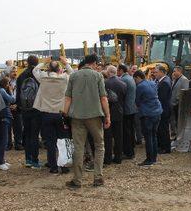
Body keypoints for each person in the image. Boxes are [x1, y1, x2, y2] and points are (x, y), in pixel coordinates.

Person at [62, 54, 111, 188]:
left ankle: (77, 180)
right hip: (95, 116)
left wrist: (65, 115)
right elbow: (103, 98)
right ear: (94, 63)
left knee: (78, 148)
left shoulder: (73, 76)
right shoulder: (98, 76)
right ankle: (98, 178)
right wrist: (107, 116)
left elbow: (68, 98)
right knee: (99, 145)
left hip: (77, 117)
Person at [32, 56, 73, 174]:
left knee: (50, 142)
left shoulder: (43, 78)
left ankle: (53, 166)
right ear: (59, 69)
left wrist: (44, 62)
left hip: (46, 113)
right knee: (63, 140)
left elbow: (35, 71)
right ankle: (64, 165)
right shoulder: (64, 78)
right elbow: (73, 73)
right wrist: (66, 63)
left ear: (48, 70)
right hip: (61, 114)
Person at [133, 70, 162, 166]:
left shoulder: (140, 86)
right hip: (157, 111)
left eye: (135, 79)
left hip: (147, 114)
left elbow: (137, 101)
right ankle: (154, 157)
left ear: (137, 77)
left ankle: (149, 159)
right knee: (154, 135)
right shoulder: (152, 83)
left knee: (148, 137)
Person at [16, 55, 41, 167]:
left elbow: (18, 94)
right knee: (35, 135)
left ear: (27, 62)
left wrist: (19, 106)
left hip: (25, 109)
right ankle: (35, 160)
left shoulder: (20, 76)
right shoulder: (38, 75)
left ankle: (28, 159)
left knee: (26, 133)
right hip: (36, 108)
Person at [103, 65, 127, 164]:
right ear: (116, 72)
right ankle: (118, 157)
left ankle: (108, 158)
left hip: (108, 112)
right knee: (119, 136)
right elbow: (124, 98)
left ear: (108, 73)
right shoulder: (123, 83)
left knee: (108, 137)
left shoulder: (105, 83)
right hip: (119, 112)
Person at [118, 64, 137, 159]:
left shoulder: (123, 79)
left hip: (126, 109)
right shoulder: (130, 78)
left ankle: (129, 152)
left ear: (121, 70)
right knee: (130, 130)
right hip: (132, 108)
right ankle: (131, 149)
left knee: (126, 132)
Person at [0, 77, 15, 171]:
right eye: (8, 83)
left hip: (1, 114)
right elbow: (12, 99)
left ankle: (1, 160)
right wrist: (11, 91)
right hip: (4, 115)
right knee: (3, 139)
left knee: (3, 138)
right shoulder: (2, 91)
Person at [154, 65, 172, 154]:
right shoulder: (163, 80)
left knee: (163, 129)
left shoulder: (164, 82)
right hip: (163, 108)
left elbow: (162, 98)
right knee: (161, 128)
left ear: (161, 72)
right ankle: (162, 146)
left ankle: (165, 148)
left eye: (156, 72)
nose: (154, 74)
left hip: (163, 109)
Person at [170, 66, 189, 138]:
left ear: (179, 71)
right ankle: (175, 133)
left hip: (179, 104)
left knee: (179, 120)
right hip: (173, 103)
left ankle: (180, 135)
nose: (173, 72)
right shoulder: (175, 79)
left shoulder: (184, 80)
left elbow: (185, 93)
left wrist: (178, 101)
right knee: (174, 119)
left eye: (175, 71)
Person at [8, 66, 22, 150]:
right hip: (8, 106)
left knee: (18, 126)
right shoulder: (5, 82)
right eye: (13, 71)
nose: (15, 73)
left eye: (16, 71)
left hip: (17, 106)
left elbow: (21, 94)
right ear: (9, 73)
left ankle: (18, 143)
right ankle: (8, 144)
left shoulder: (19, 82)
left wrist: (17, 104)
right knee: (8, 127)